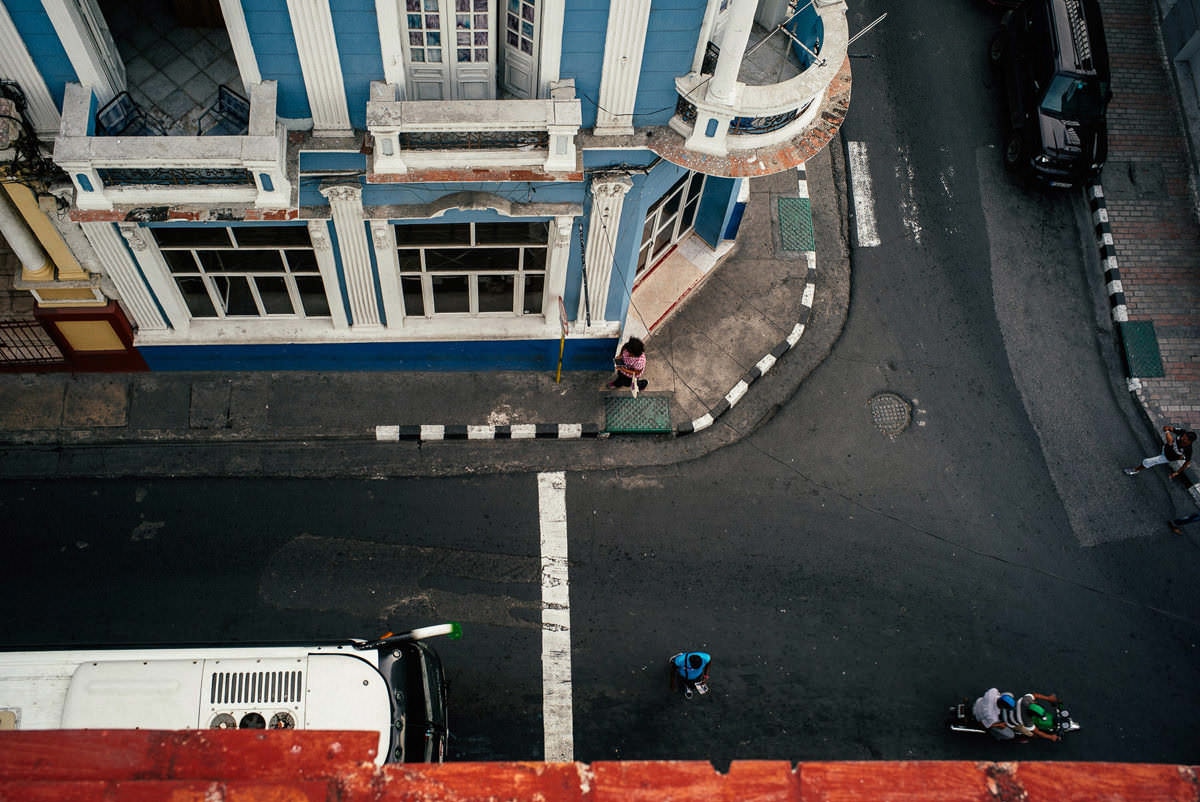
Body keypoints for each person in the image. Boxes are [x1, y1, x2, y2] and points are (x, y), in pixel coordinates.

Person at [1124, 426, 1195, 480]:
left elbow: (1187, 463)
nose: (1182, 439)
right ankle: (1179, 456)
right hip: (1165, 447)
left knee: (1148, 461)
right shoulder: (1182, 432)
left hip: (1167, 457)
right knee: (1167, 449)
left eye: (1184, 440)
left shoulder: (1188, 450)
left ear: (1189, 442)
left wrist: (1177, 472)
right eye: (1183, 437)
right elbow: (1166, 428)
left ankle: (1135, 470)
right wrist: (1167, 432)